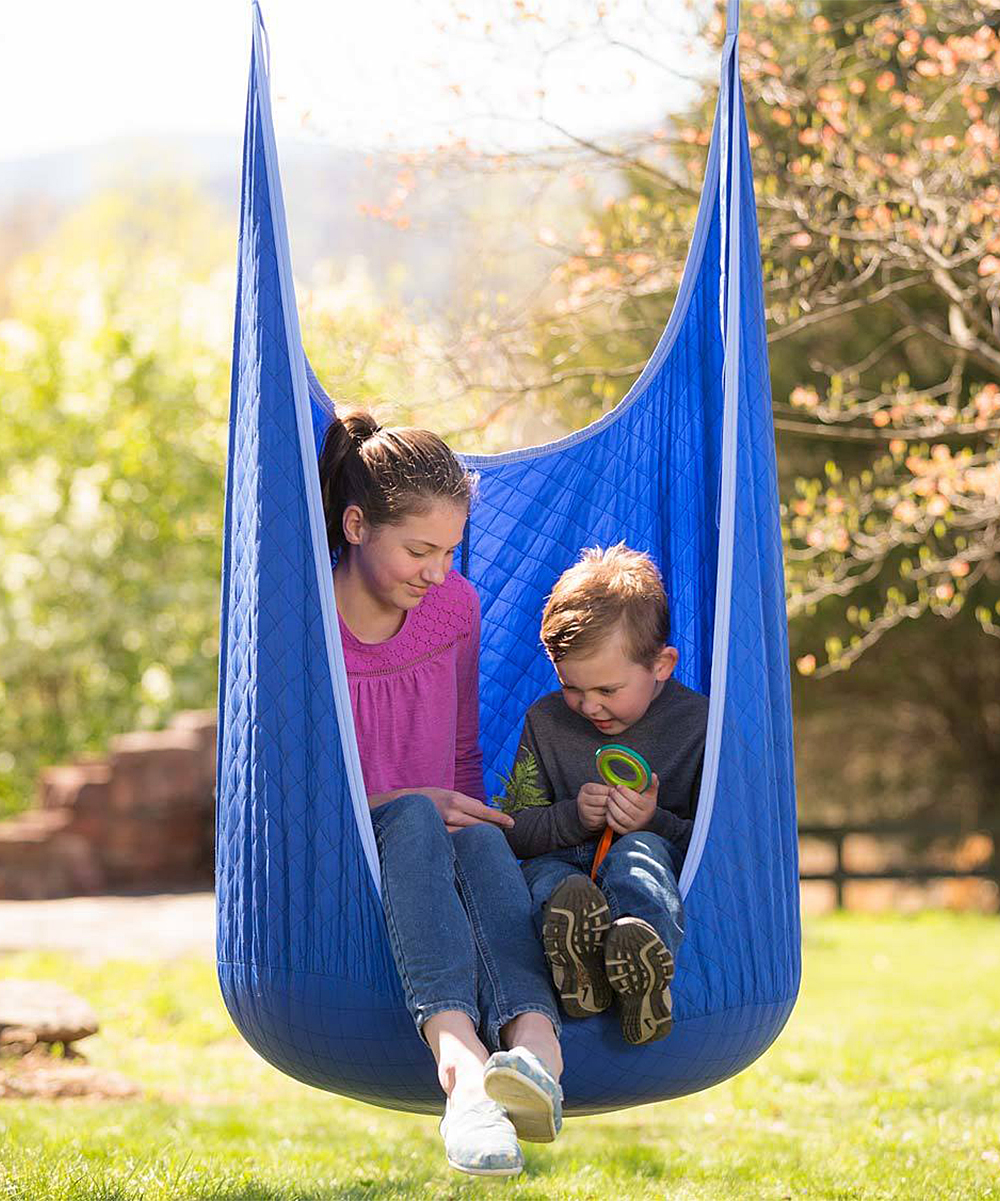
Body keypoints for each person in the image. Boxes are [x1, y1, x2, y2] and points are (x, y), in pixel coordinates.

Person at [319, 409, 563, 1178]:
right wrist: (420, 801)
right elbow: (305, 787)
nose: (437, 570)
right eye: (419, 549)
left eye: (450, 550)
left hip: (432, 844)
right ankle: (461, 1069)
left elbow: (462, 747)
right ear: (356, 524)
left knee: (480, 833)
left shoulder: (454, 604)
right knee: (424, 818)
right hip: (351, 863)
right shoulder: (312, 619)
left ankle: (532, 1052)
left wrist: (467, 814)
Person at [502, 544, 708, 1045]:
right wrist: (572, 818)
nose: (588, 706)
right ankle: (583, 972)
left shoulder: (697, 725)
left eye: (608, 691)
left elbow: (709, 841)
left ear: (662, 665)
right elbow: (515, 831)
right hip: (564, 860)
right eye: (573, 687)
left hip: (648, 857)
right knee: (550, 880)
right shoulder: (546, 721)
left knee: (641, 856)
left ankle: (642, 973)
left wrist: (652, 822)